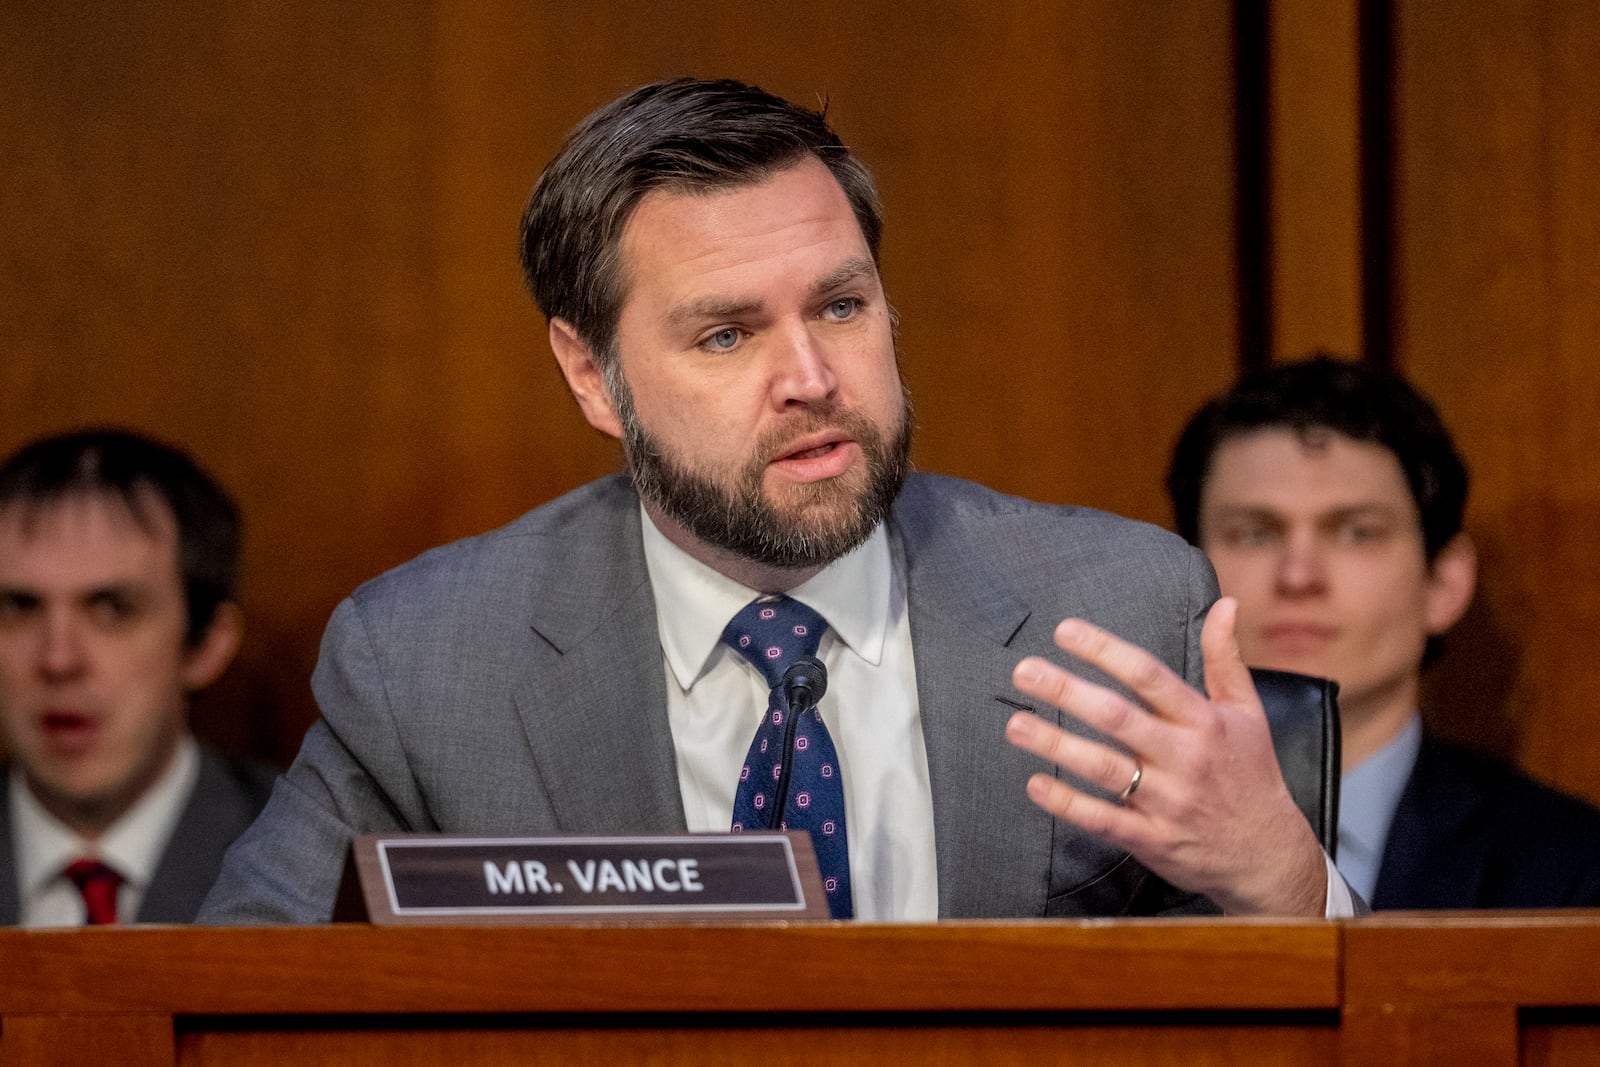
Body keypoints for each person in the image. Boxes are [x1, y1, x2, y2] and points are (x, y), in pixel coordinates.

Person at [203, 77, 1347, 924]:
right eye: (726, 332)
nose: (810, 375)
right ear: (591, 373)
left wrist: (1283, 878)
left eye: (841, 306)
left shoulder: (1118, 608)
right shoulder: (429, 662)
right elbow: (224, 1006)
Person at [1167, 354, 1600, 908]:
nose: (1299, 576)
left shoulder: (1572, 870)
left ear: (1443, 583)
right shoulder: (1086, 858)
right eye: (1254, 534)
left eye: (1357, 532)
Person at [0, 429, 276, 925]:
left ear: (206, 644)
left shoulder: (306, 860)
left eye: (112, 609)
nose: (58, 660)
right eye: (19, 607)